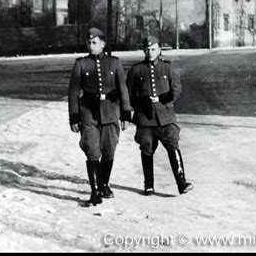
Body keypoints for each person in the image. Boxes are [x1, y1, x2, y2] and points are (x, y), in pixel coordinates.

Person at [68, 27, 131, 206]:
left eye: (94, 42)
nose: (91, 46)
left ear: (102, 44)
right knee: (92, 151)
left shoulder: (114, 63)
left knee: (109, 150)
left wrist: (126, 114)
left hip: (111, 112)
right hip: (88, 113)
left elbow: (123, 90)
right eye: (88, 42)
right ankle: (95, 191)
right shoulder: (81, 64)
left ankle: (104, 184)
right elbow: (73, 92)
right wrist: (74, 117)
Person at [126, 36, 193, 196]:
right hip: (145, 118)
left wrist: (163, 98)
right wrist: (139, 105)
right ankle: (148, 185)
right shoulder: (136, 70)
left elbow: (176, 89)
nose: (150, 52)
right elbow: (128, 94)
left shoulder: (167, 68)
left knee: (173, 145)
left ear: (159, 50)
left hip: (165, 116)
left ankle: (181, 183)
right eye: (147, 49)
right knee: (147, 149)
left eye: (153, 49)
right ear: (143, 51)